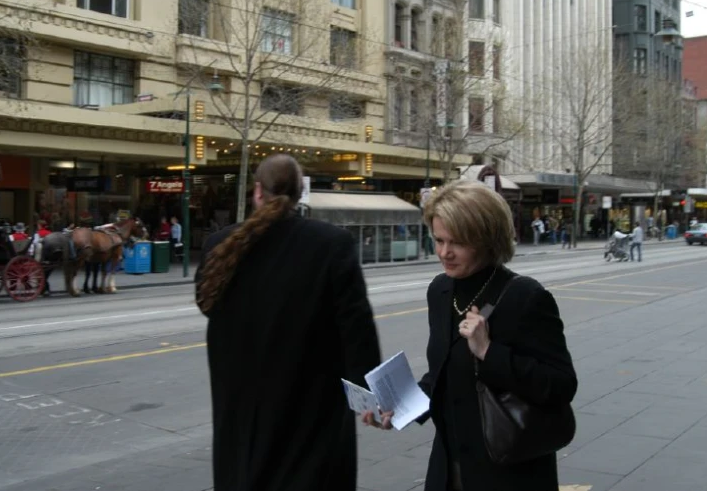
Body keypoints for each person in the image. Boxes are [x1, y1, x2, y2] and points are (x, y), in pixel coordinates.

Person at [364, 180, 577, 491]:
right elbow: (443, 375)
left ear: (487, 239)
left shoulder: (525, 297)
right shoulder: (440, 290)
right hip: (448, 471)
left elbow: (561, 385)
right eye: (438, 240)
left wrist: (489, 352)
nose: (444, 253)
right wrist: (398, 408)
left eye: (458, 243)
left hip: (509, 472)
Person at [195, 154, 382, 491]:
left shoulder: (218, 246)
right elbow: (357, 331)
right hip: (310, 411)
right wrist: (368, 399)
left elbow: (209, 306)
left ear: (256, 192)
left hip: (241, 411)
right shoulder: (330, 244)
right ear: (300, 194)